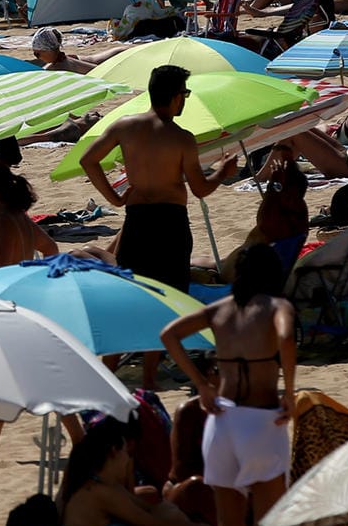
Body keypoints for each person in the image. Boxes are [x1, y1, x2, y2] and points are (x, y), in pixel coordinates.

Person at [79, 65, 238, 389]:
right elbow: (200, 189)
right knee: (165, 299)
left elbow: (88, 161)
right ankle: (149, 376)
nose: (185, 101)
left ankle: (109, 374)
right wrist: (222, 172)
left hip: (137, 220)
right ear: (176, 96)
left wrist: (115, 198)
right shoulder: (180, 138)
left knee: (131, 297)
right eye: (185, 94)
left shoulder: (125, 127)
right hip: (170, 223)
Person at [160, 243, 297, 526]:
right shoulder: (278, 306)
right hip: (262, 422)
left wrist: (202, 385)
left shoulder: (219, 309)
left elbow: (169, 335)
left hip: (222, 423)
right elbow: (285, 336)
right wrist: (291, 391)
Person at [0, 160, 60, 462]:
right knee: (48, 383)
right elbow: (50, 250)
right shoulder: (18, 218)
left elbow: (1, 276)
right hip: (27, 308)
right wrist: (38, 284)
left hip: (9, 312)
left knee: (3, 382)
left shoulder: (4, 223)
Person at [58, 420, 213, 526]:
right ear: (114, 452)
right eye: (126, 453)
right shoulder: (101, 492)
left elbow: (153, 510)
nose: (128, 459)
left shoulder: (105, 485)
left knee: (168, 515)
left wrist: (185, 525)